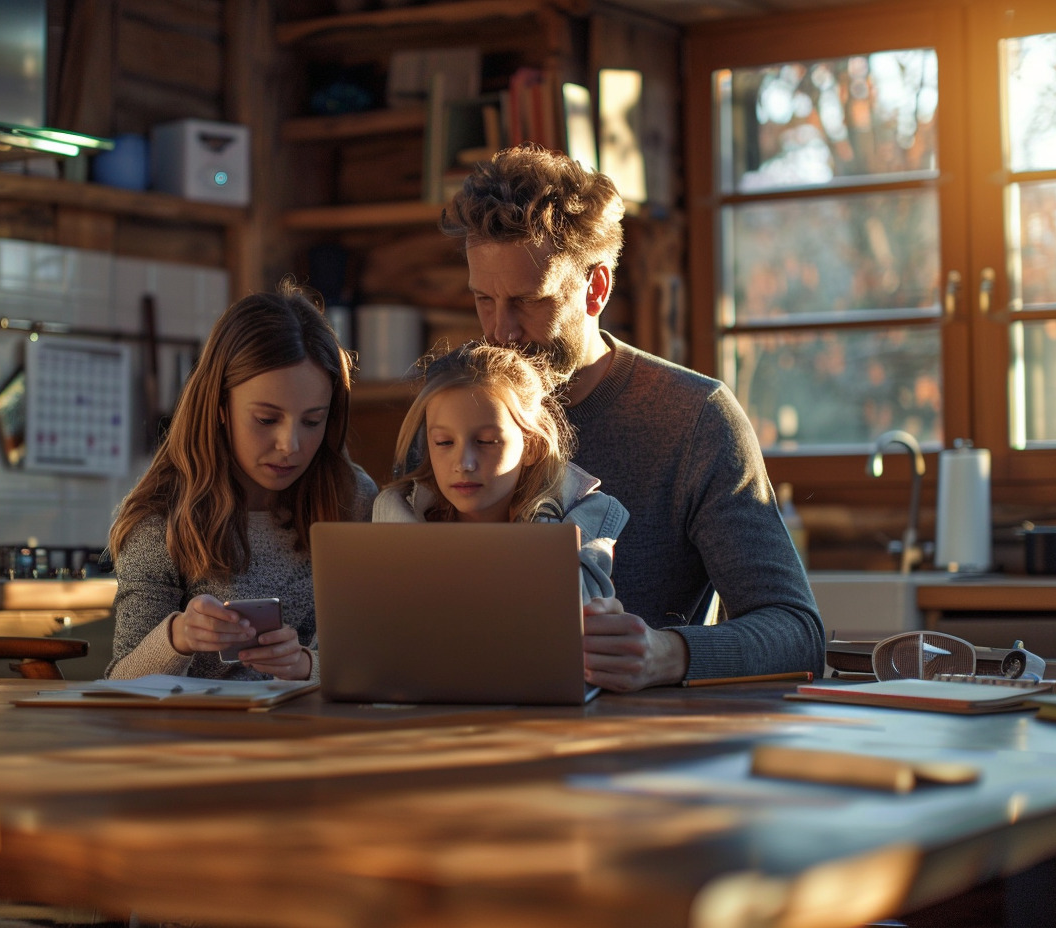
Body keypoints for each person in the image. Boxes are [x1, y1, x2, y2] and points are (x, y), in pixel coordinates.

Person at [439, 144, 825, 691]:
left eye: (530, 301)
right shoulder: (451, 416)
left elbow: (798, 632)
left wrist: (664, 653)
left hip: (634, 754)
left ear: (596, 288)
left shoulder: (694, 419)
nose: (501, 331)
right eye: (483, 299)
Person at [105, 284, 378, 682]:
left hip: (318, 735)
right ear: (219, 407)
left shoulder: (353, 501)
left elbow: (378, 660)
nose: (291, 445)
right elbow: (120, 683)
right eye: (267, 419)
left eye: (313, 420)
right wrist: (178, 637)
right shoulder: (160, 521)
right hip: (201, 739)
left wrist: (305, 665)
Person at [374, 341, 628, 604]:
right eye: (444, 443)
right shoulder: (396, 517)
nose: (464, 463)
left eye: (485, 442)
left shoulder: (580, 523)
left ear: (532, 447)